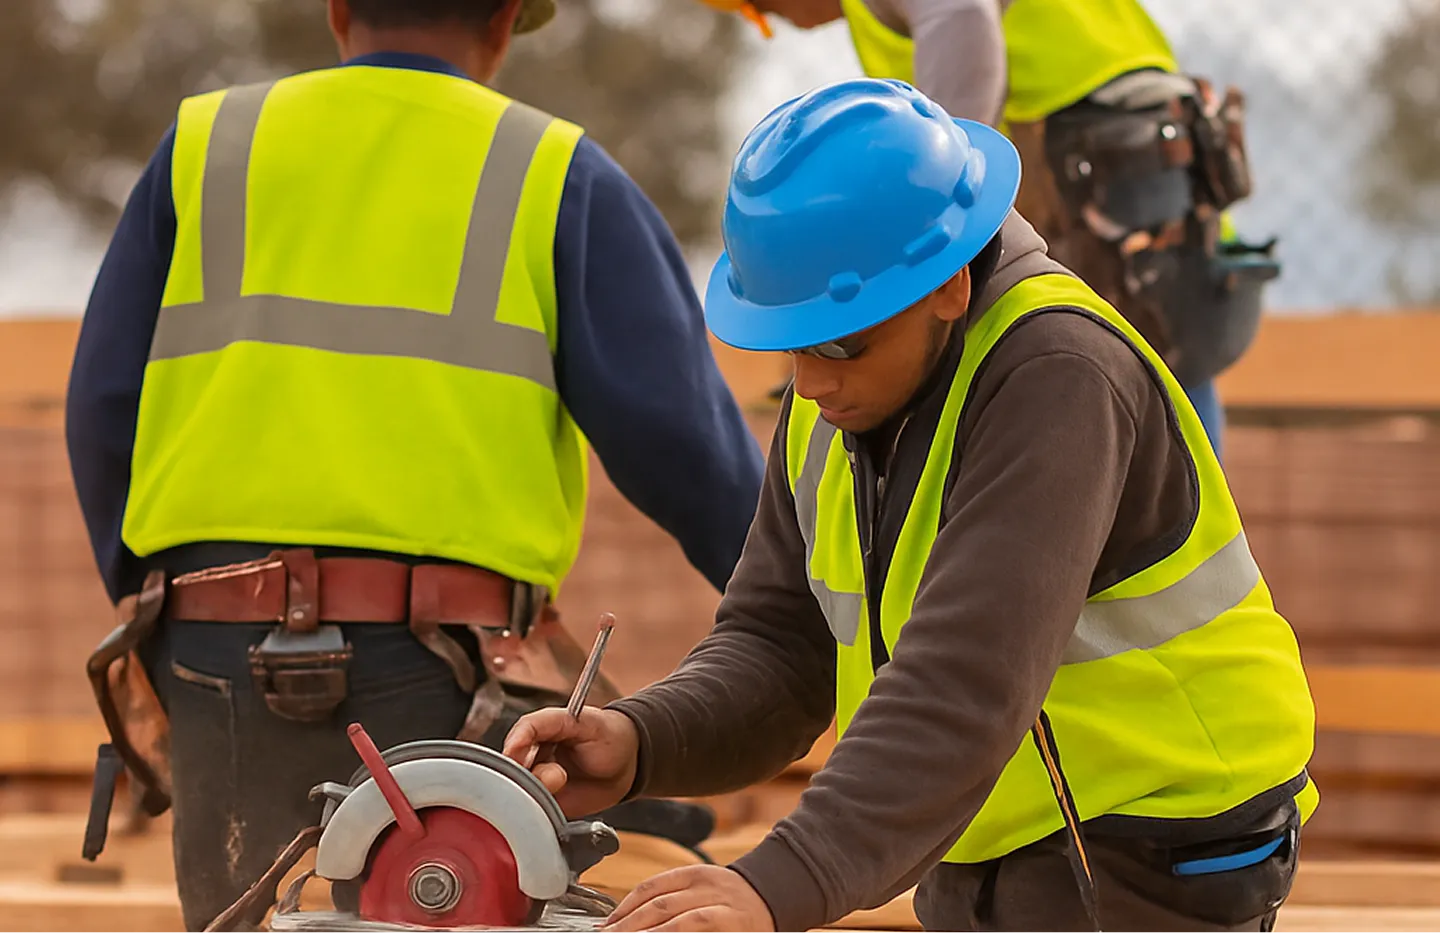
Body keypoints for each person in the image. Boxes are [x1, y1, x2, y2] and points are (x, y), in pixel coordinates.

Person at [504, 79, 1317, 933]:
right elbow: (782, 645)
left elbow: (968, 678)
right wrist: (642, 741)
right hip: (980, 836)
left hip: (1157, 850)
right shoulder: (838, 394)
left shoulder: (1060, 374)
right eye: (790, 345)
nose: (810, 384)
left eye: (839, 344)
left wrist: (779, 881)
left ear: (949, 288)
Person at [63, 0, 764, 929]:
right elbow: (689, 450)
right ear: (508, 19)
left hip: (212, 652)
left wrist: (160, 599)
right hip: (445, 670)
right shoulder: (552, 171)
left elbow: (103, 407)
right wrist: (813, 609)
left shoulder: (205, 146)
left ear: (337, 10)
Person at [699, 0, 1283, 459]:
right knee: (1152, 360)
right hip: (1118, 137)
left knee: (1139, 366)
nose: (783, 25)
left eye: (766, 10)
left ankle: (1168, 565)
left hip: (1097, 145)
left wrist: (937, 213)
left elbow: (961, 13)